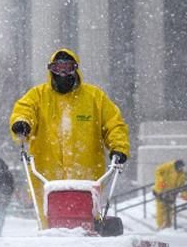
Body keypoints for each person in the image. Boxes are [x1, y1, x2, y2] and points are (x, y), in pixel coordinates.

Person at [9, 48, 130, 229]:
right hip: (47, 175)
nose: (63, 73)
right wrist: (21, 123)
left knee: (87, 218)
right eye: (58, 68)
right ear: (51, 70)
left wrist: (118, 147)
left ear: (75, 69)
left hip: (87, 175)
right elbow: (24, 110)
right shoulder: (38, 96)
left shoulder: (95, 98)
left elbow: (114, 124)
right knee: (49, 219)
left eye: (68, 68)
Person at [153, 159, 187, 230]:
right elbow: (158, 171)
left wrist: (184, 194)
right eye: (179, 167)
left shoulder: (182, 174)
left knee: (170, 209)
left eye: (181, 167)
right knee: (161, 208)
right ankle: (160, 225)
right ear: (176, 165)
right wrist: (161, 181)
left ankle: (168, 225)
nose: (180, 169)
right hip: (161, 191)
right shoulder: (168, 166)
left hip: (171, 193)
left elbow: (182, 185)